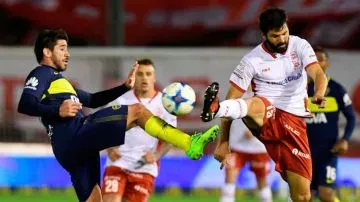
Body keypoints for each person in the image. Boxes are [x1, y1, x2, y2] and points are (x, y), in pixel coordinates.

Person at [17, 29, 219, 202]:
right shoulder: (41, 73)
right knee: (138, 111)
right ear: (47, 52)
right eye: (62, 48)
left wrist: (124, 87)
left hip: (73, 148)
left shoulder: (61, 83)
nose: (67, 54)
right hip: (74, 133)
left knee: (95, 199)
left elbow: (94, 100)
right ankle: (189, 143)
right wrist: (57, 111)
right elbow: (25, 103)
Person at [200, 8, 328, 202]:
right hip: (265, 118)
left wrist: (318, 93)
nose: (282, 39)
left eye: (284, 32)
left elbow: (318, 73)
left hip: (294, 124)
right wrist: (224, 141)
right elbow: (232, 97)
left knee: (302, 196)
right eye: (275, 36)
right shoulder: (251, 60)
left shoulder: (300, 45)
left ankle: (220, 108)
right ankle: (216, 108)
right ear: (264, 35)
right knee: (254, 104)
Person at [101, 58, 175, 202]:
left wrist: (156, 156)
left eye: (148, 74)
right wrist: (110, 148)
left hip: (144, 167)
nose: (144, 78)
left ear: (154, 78)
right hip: (118, 163)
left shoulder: (166, 104)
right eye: (140, 74)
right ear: (134, 77)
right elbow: (103, 127)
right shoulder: (120, 100)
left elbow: (170, 139)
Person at [305, 47, 356, 202]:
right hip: (304, 152)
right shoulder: (299, 88)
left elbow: (351, 118)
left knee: (325, 194)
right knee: (304, 196)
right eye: (313, 59)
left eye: (320, 59)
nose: (317, 63)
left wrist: (345, 139)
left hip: (328, 152)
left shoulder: (337, 90)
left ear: (327, 63)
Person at [220, 116, 272, 202]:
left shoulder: (267, 102)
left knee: (262, 180)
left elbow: (270, 116)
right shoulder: (232, 101)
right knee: (230, 177)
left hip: (258, 147)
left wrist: (256, 129)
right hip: (237, 144)